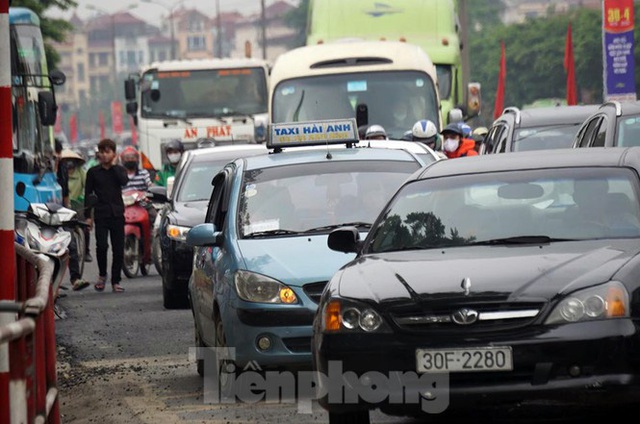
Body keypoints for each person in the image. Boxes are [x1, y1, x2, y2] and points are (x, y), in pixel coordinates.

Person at [85, 138, 129, 293]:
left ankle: (116, 280)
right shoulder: (93, 172)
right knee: (101, 246)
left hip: (117, 213)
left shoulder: (119, 170)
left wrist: (115, 165)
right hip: (101, 214)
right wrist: (88, 216)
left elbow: (124, 182)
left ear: (113, 154)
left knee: (118, 249)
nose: (104, 155)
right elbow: (88, 194)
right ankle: (102, 275)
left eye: (107, 152)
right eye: (102, 152)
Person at [54, 140, 90, 291]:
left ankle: (75, 278)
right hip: (43, 211)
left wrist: (67, 209)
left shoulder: (64, 169)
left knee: (71, 243)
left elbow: (65, 192)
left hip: (64, 208)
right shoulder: (42, 168)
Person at [62, 149, 93, 263]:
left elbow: (88, 187)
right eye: (66, 161)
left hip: (77, 203)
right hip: (62, 204)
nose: (69, 163)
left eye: (71, 161)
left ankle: (87, 252)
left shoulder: (80, 172)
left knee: (85, 227)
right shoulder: (60, 173)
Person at [121, 146, 157, 230]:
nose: (130, 160)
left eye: (132, 157)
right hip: (125, 206)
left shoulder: (143, 173)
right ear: (123, 160)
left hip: (143, 204)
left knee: (155, 217)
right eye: (127, 158)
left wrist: (150, 193)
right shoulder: (120, 174)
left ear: (137, 159)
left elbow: (150, 185)